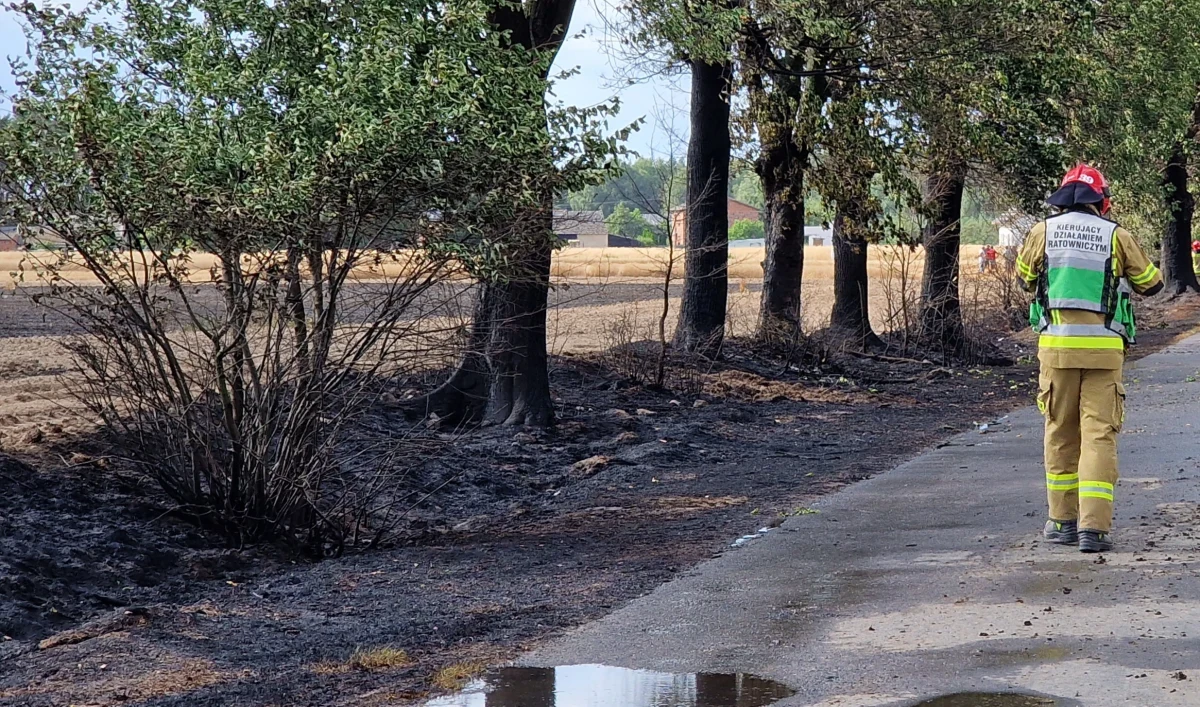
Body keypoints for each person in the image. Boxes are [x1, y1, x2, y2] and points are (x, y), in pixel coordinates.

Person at [1016, 164, 1163, 553]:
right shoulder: (1116, 235)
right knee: (1099, 436)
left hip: (1057, 351)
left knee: (1060, 433)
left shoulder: (1042, 231)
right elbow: (1151, 283)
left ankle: (1061, 522)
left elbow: (1024, 277)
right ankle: (1093, 530)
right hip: (1104, 353)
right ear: (1103, 201)